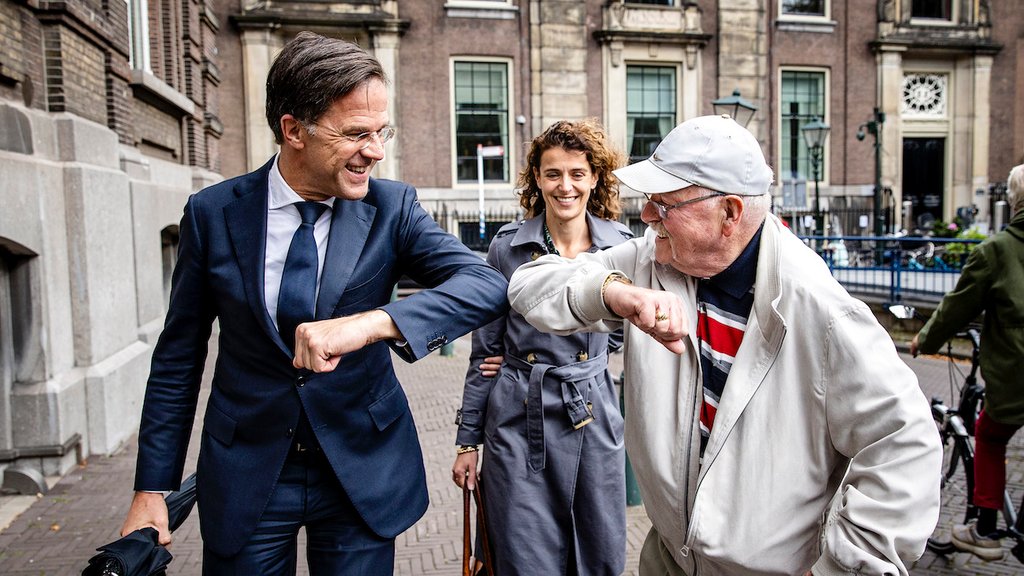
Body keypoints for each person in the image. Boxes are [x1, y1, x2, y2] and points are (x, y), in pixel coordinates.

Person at [119, 31, 509, 575]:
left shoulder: (393, 207)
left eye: (381, 132)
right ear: (294, 130)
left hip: (361, 470)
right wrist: (150, 487)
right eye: (355, 134)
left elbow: (486, 284)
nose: (375, 151)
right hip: (247, 472)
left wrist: (373, 324)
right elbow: (178, 359)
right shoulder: (212, 214)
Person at [507, 114, 942, 575]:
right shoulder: (654, 260)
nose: (647, 216)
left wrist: (842, 567)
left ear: (730, 213)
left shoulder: (819, 308)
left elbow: (905, 445)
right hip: (669, 557)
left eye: (664, 204)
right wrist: (612, 291)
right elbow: (528, 285)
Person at [451, 119, 633, 575]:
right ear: (537, 177)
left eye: (577, 173)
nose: (565, 186)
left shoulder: (621, 248)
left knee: (598, 547)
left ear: (595, 177)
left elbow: (620, 331)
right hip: (518, 418)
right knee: (523, 552)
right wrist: (468, 440)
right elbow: (484, 350)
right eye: (553, 174)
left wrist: (592, 357)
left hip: (592, 414)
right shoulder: (507, 248)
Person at [910, 163, 1024, 562]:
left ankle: (986, 530)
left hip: (1015, 376)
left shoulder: (998, 250)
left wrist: (925, 340)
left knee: (990, 434)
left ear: (1013, 200)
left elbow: (956, 308)